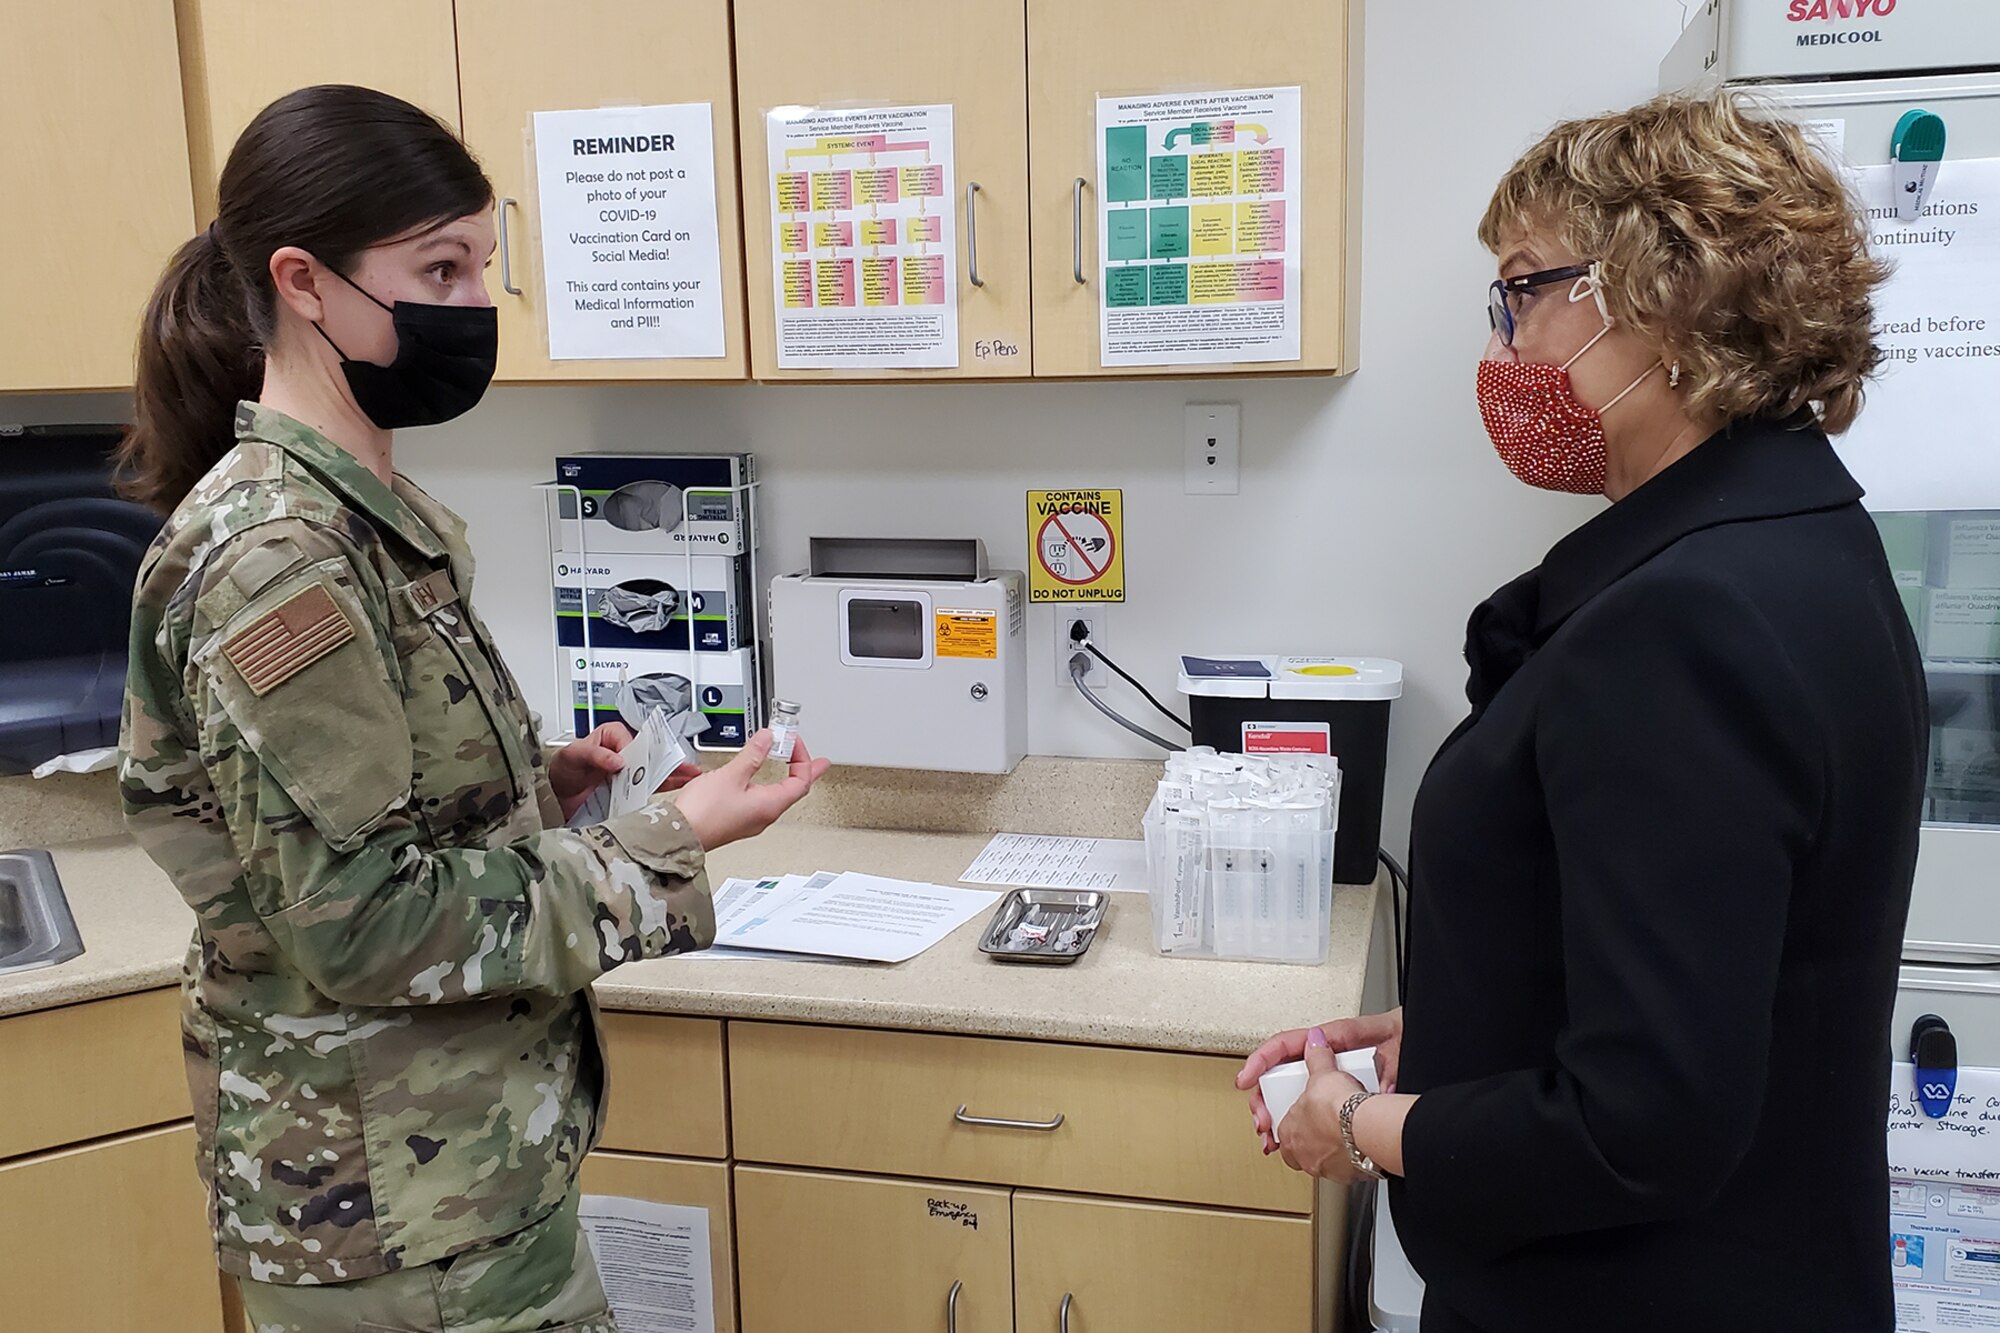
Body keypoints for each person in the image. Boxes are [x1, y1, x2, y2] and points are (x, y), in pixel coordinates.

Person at [117, 85, 826, 1333]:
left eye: (482, 266)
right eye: (438, 269)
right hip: (395, 1214)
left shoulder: (359, 519)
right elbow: (363, 924)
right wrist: (670, 840)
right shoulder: (282, 559)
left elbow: (365, 831)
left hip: (446, 1180)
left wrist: (529, 791)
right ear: (305, 281)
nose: (473, 308)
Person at [1239, 94, 1926, 1332]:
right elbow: (1720, 967)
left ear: (1661, 296)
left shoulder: (1680, 623)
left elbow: (1641, 1124)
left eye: (1521, 288)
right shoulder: (1806, 540)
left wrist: (1353, 1121)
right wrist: (1450, 1026)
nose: (1501, 348)